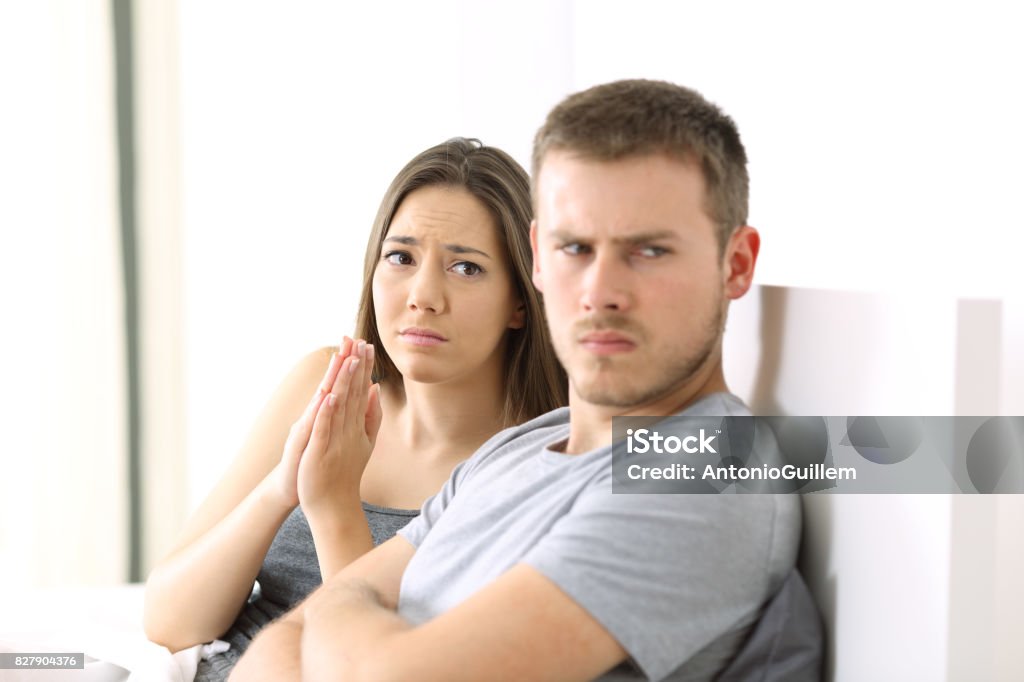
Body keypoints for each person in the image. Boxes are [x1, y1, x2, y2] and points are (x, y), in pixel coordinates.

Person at [231, 80, 815, 682]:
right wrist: (348, 625)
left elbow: (378, 666)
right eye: (575, 248)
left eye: (649, 251)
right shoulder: (519, 449)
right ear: (538, 258)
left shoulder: (709, 471)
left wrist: (349, 618)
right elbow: (289, 636)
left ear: (736, 264)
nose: (600, 293)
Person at [142, 138, 568, 680]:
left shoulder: (543, 455)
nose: (423, 295)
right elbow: (170, 622)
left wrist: (333, 504)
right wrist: (282, 487)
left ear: (520, 300)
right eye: (401, 258)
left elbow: (390, 667)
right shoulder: (322, 383)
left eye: (466, 268)